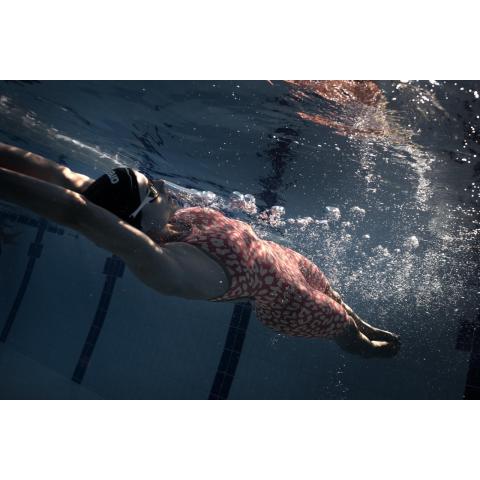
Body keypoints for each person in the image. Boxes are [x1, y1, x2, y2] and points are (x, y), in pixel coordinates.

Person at [0, 142, 400, 358]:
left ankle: (359, 321)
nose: (162, 186)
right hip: (290, 301)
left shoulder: (159, 218)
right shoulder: (164, 263)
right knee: (346, 332)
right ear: (139, 219)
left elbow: (64, 178)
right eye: (153, 190)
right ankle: (365, 345)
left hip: (285, 258)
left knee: (337, 295)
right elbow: (78, 213)